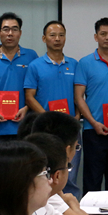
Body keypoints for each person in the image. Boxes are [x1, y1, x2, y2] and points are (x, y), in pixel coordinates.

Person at [23, 20, 82, 197]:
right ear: (44, 38)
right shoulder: (35, 65)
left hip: (69, 128)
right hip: (46, 130)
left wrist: (77, 115)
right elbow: (29, 97)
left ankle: (71, 207)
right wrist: (49, 119)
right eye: (52, 35)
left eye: (61, 35)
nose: (57, 39)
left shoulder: (74, 64)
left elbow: (79, 95)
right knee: (47, 175)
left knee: (70, 174)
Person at [31, 111, 108, 215]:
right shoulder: (44, 191)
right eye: (76, 147)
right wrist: (73, 203)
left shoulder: (41, 182)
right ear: (66, 151)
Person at [74, 17, 108, 193]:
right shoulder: (85, 63)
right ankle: (91, 212)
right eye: (103, 34)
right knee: (93, 179)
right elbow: (79, 97)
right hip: (93, 130)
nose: (107, 37)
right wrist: (93, 122)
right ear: (95, 36)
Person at [0, 12, 38, 149]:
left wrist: (27, 108)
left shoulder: (32, 56)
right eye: (6, 29)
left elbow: (38, 90)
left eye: (14, 29)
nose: (10, 33)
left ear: (20, 33)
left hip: (25, 128)